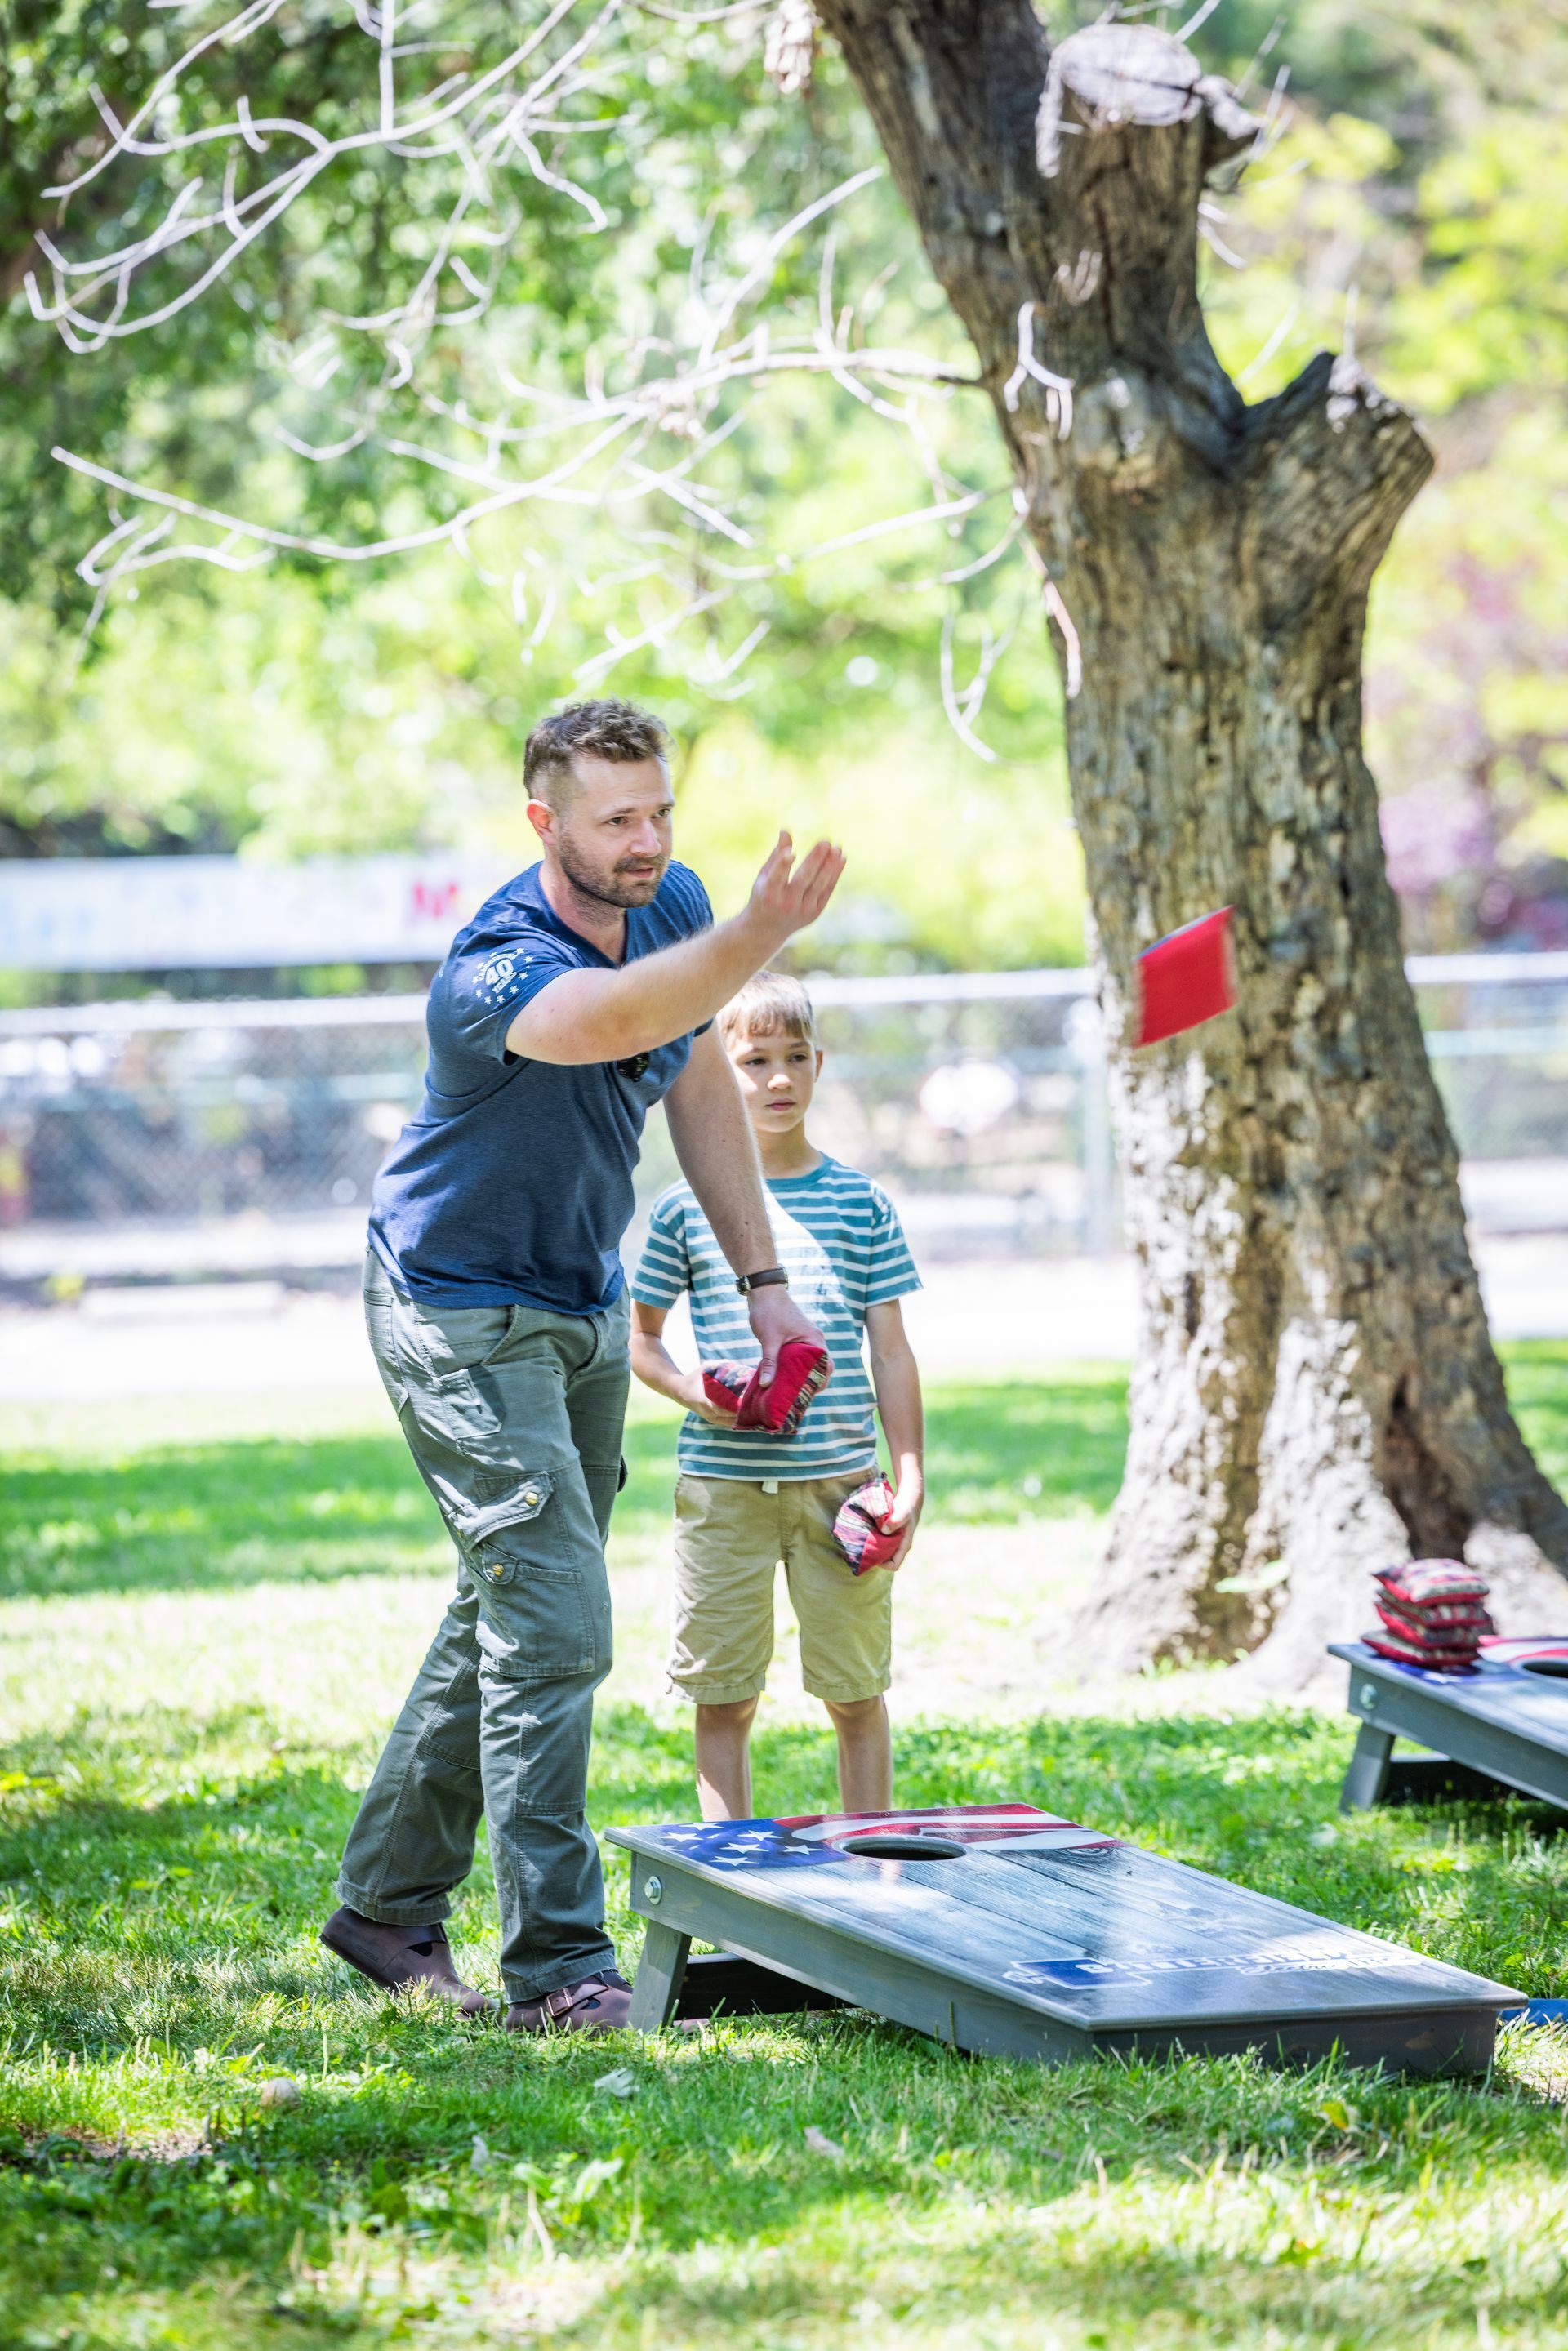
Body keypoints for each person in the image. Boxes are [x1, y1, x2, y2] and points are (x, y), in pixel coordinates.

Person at [319, 700, 844, 2033]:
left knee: (516, 1594)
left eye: (660, 810)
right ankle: (560, 1967)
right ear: (544, 820)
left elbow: (697, 1074)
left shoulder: (675, 908)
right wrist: (753, 938)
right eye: (617, 819)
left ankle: (385, 1906)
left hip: (580, 1295)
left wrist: (763, 1283)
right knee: (555, 1619)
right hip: (456, 1304)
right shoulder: (495, 968)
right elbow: (616, 1017)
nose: (647, 840)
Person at [629, 970, 924, 1821]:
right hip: (723, 1493)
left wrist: (909, 1476)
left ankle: (871, 1863)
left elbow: (891, 1351)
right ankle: (731, 1878)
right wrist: (694, 1391)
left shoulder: (861, 1203)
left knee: (856, 1694)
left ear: (819, 1064)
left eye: (796, 1056)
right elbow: (639, 1339)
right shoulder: (686, 1209)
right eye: (754, 1060)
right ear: (717, 1074)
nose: (778, 1078)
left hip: (842, 1491)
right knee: (723, 1697)